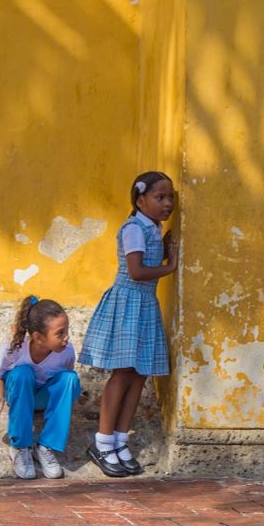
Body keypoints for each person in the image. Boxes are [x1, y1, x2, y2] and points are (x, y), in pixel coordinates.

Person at [80, 171, 178, 477]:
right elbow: (136, 272)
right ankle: (102, 442)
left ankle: (120, 441)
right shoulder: (134, 229)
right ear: (140, 200)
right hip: (128, 304)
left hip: (144, 305)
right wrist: (169, 266)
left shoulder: (153, 228)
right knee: (122, 373)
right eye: (159, 197)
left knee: (139, 374)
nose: (167, 203)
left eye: (170, 197)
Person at [0, 296, 80, 479]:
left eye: (67, 330)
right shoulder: (13, 349)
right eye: (60, 333)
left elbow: (64, 385)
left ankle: (46, 446)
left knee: (70, 378)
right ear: (38, 337)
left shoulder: (67, 352)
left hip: (43, 397)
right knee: (22, 373)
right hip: (20, 394)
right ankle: (20, 446)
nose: (66, 337)